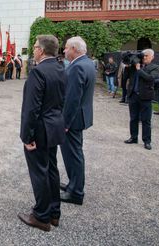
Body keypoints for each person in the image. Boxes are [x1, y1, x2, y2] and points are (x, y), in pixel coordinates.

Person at [18, 35, 66, 232]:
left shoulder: (38, 72)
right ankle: (54, 212)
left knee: (40, 172)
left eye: (36, 46)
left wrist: (26, 136)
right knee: (51, 170)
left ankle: (41, 216)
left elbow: (31, 108)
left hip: (40, 129)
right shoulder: (60, 68)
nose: (34, 49)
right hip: (54, 126)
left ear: (42, 50)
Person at [60, 36, 96, 206]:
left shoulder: (77, 67)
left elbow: (72, 99)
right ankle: (73, 185)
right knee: (75, 153)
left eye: (66, 48)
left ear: (74, 49)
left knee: (73, 155)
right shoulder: (87, 63)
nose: (64, 51)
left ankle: (76, 192)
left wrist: (65, 124)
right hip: (80, 116)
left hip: (73, 120)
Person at [124, 49, 159, 150]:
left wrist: (139, 69)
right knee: (133, 118)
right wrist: (128, 62)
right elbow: (126, 74)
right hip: (133, 95)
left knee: (146, 120)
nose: (144, 57)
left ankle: (147, 141)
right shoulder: (134, 65)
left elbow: (150, 78)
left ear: (152, 57)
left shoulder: (155, 67)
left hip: (145, 97)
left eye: (146, 56)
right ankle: (133, 137)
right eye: (143, 55)